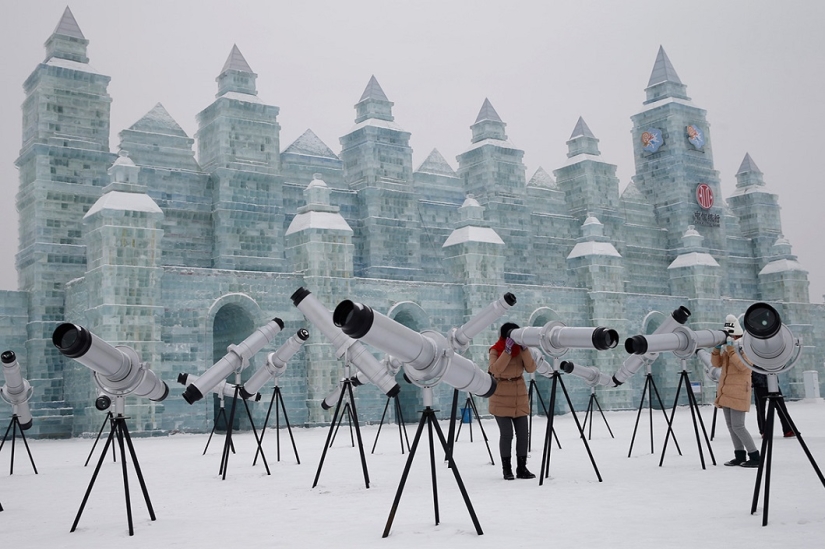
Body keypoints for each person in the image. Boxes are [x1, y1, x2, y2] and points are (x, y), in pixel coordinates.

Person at [488, 322, 537, 480]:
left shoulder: (520, 350)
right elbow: (494, 370)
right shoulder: (495, 350)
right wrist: (507, 352)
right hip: (500, 396)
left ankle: (522, 468)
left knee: (523, 434)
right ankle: (506, 469)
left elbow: (531, 368)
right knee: (507, 434)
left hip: (519, 396)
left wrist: (524, 349)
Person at [712, 314, 760, 467]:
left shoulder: (745, 346)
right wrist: (717, 349)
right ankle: (739, 455)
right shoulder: (729, 348)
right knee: (731, 426)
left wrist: (731, 350)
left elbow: (744, 366)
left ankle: (755, 456)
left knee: (738, 426)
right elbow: (716, 363)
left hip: (739, 391)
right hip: (726, 391)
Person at [752, 371, 796, 438]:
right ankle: (764, 431)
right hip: (759, 383)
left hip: (772, 382)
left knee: (781, 408)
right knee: (761, 409)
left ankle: (788, 429)